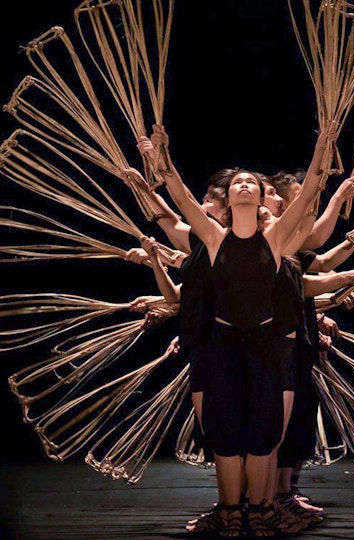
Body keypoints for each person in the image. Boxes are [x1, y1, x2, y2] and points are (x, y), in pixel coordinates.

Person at [139, 123, 336, 537]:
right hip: (223, 346)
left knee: (265, 434)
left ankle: (261, 511)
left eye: (251, 182)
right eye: (237, 183)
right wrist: (163, 159)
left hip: (265, 344)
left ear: (260, 196)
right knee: (225, 433)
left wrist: (322, 149)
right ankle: (230, 511)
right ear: (228, 198)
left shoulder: (277, 239)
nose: (244, 185)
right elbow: (181, 199)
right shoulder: (213, 238)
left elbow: (308, 201)